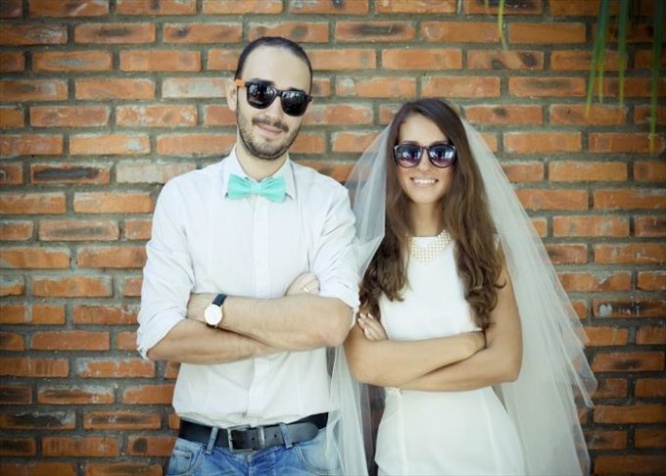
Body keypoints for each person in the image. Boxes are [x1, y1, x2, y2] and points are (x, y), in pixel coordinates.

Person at [137, 36, 366, 475]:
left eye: (292, 100)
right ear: (233, 93)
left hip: (304, 455)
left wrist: (213, 308)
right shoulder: (182, 199)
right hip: (204, 456)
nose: (275, 112)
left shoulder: (328, 202)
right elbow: (161, 337)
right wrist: (290, 320)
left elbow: (334, 324)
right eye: (261, 92)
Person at [344, 98, 597, 475]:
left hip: (488, 453)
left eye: (440, 152)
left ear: (457, 161)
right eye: (409, 152)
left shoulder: (485, 249)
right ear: (394, 161)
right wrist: (468, 344)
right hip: (404, 456)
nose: (424, 165)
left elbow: (506, 363)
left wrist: (398, 370)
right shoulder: (368, 256)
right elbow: (365, 364)